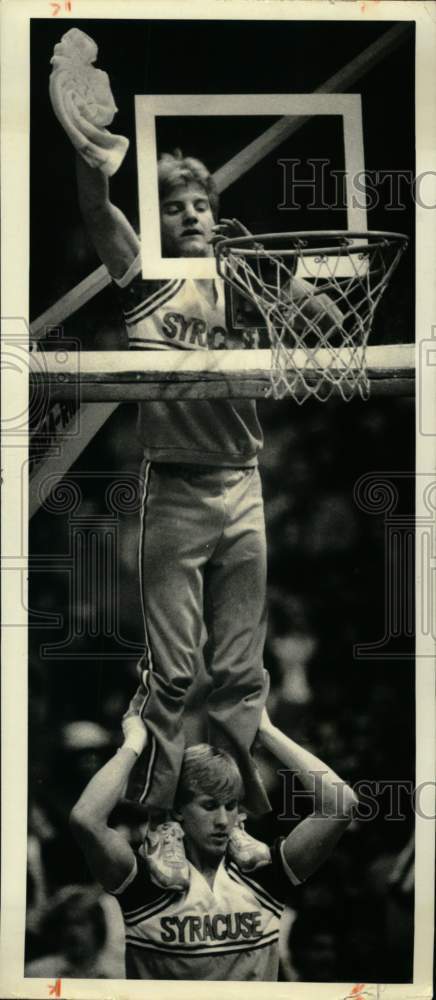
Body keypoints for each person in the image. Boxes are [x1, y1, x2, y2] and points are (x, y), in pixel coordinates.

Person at [50, 29, 343, 886]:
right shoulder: (143, 276)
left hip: (243, 484)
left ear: (217, 215)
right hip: (174, 489)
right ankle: (162, 825)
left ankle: (239, 818)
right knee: (175, 675)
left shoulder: (245, 274)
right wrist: (91, 151)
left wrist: (319, 299)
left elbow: (322, 300)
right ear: (160, 217)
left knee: (240, 674)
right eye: (175, 204)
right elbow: (97, 212)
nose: (190, 215)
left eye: (200, 205)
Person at [70, 703, 357, 981]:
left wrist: (267, 731)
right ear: (178, 811)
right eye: (209, 806)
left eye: (231, 806)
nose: (223, 820)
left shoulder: (262, 871)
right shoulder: (147, 881)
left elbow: (343, 805)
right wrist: (135, 740)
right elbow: (86, 819)